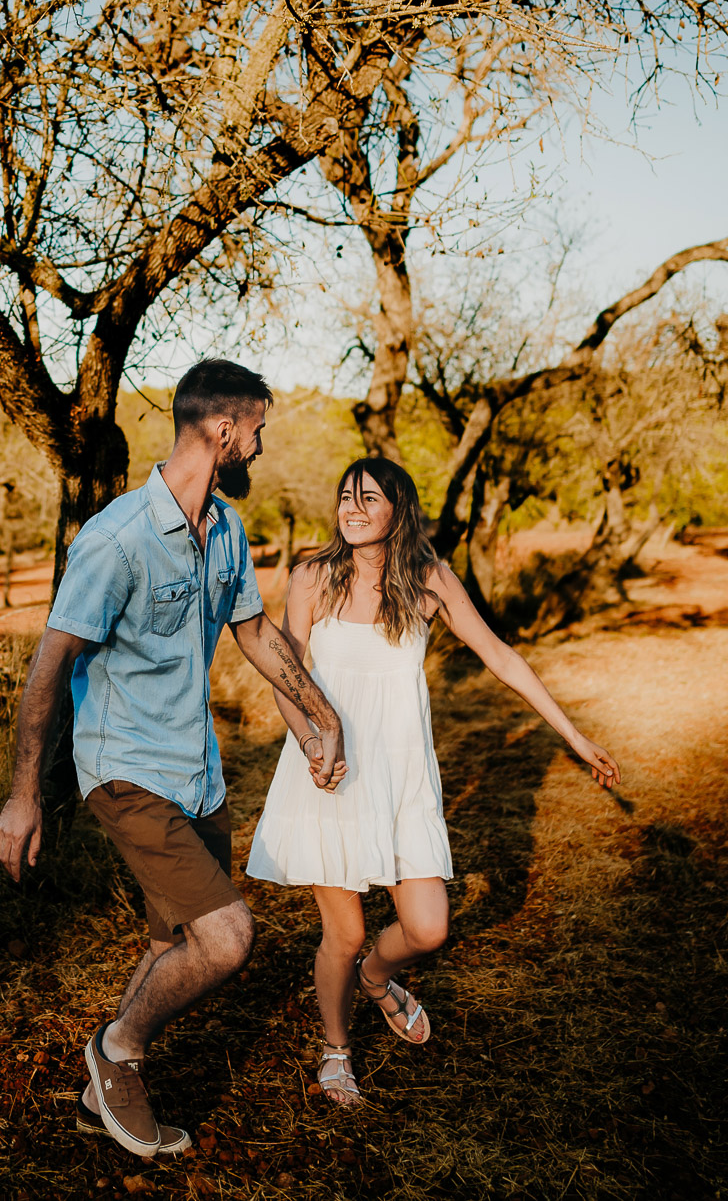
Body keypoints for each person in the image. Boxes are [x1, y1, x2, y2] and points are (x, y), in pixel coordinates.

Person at [0, 360, 345, 1156]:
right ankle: (116, 1051)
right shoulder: (116, 539)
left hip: (197, 772)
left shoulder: (225, 529)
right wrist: (24, 795)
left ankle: (101, 1095)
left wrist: (322, 717)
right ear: (222, 430)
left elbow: (254, 632)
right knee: (226, 937)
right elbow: (48, 667)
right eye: (256, 430)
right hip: (125, 770)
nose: (259, 446)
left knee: (172, 945)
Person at [246, 456, 620, 1107]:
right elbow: (285, 675)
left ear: (399, 509)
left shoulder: (429, 579)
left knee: (426, 929)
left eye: (368, 498)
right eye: (345, 497)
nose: (352, 508)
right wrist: (311, 742)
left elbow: (500, 656)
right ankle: (336, 1051)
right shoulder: (312, 577)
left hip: (401, 779)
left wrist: (574, 736)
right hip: (329, 776)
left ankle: (376, 978)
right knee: (345, 934)